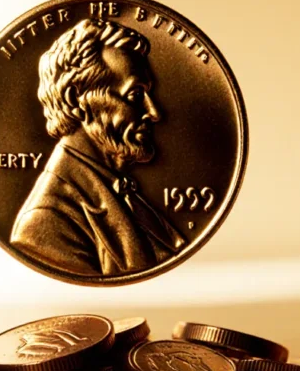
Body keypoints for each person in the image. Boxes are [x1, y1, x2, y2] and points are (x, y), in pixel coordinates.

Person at [10, 18, 185, 277]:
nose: (154, 112)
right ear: (76, 100)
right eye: (135, 95)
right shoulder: (46, 221)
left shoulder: (124, 193)